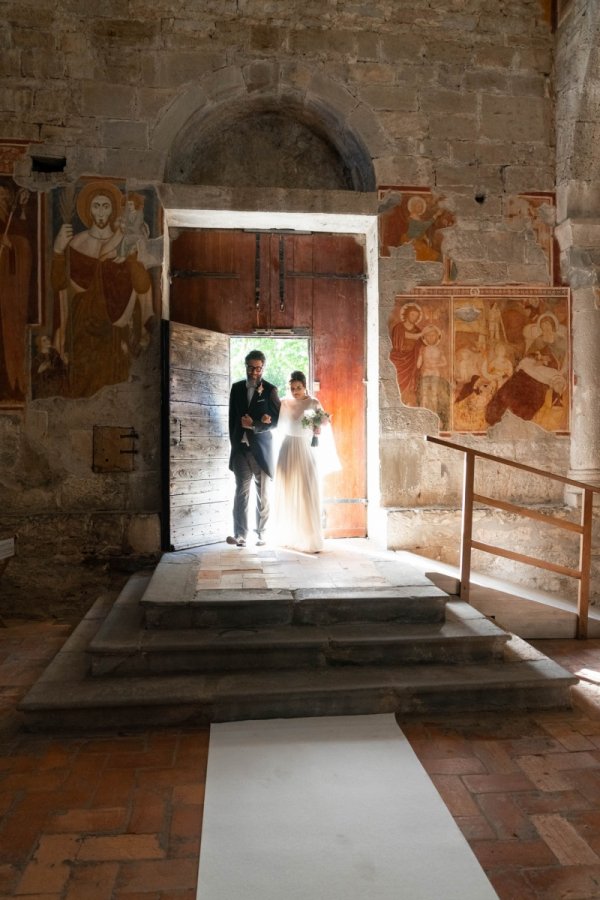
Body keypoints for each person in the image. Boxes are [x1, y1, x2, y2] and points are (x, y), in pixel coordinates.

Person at [51, 180, 155, 398]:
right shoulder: (76, 243)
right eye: (95, 206)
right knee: (81, 384)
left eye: (105, 206)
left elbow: (142, 286)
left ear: (113, 210)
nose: (100, 212)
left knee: (115, 382)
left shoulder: (125, 244)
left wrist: (134, 256)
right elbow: (59, 286)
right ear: (88, 209)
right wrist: (59, 251)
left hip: (116, 327)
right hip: (81, 326)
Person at [227, 350, 280, 548]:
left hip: (261, 450)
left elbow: (277, 420)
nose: (254, 372)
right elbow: (232, 419)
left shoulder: (270, 390)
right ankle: (240, 534)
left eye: (258, 368)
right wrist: (234, 444)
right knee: (241, 492)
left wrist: (256, 425)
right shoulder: (237, 388)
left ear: (263, 368)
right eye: (251, 367)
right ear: (246, 366)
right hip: (240, 450)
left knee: (263, 494)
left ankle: (262, 534)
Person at [273, 371, 326, 554]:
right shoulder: (284, 402)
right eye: (292, 388)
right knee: (287, 488)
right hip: (287, 447)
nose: (295, 391)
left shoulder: (313, 403)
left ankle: (309, 538)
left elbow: (323, 422)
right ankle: (288, 535)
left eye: (299, 388)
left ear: (305, 387)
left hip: (305, 447)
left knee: (306, 489)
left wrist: (318, 426)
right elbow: (273, 420)